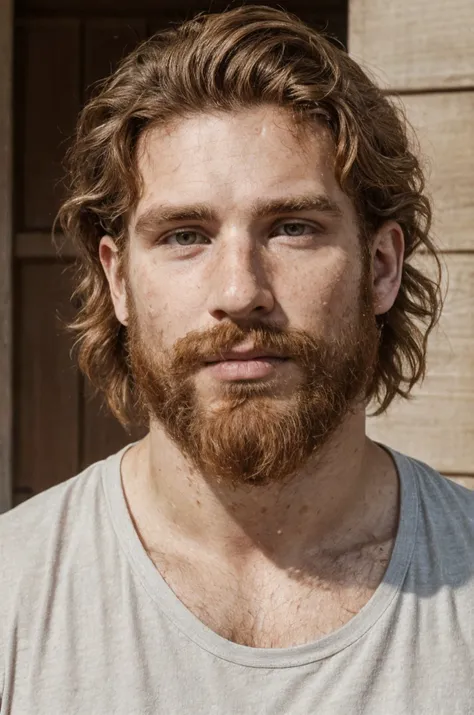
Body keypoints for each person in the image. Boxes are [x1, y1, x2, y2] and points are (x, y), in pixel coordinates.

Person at [1, 5, 472, 713]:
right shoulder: (12, 589)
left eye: (292, 228)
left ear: (381, 266)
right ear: (119, 279)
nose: (240, 292)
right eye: (185, 235)